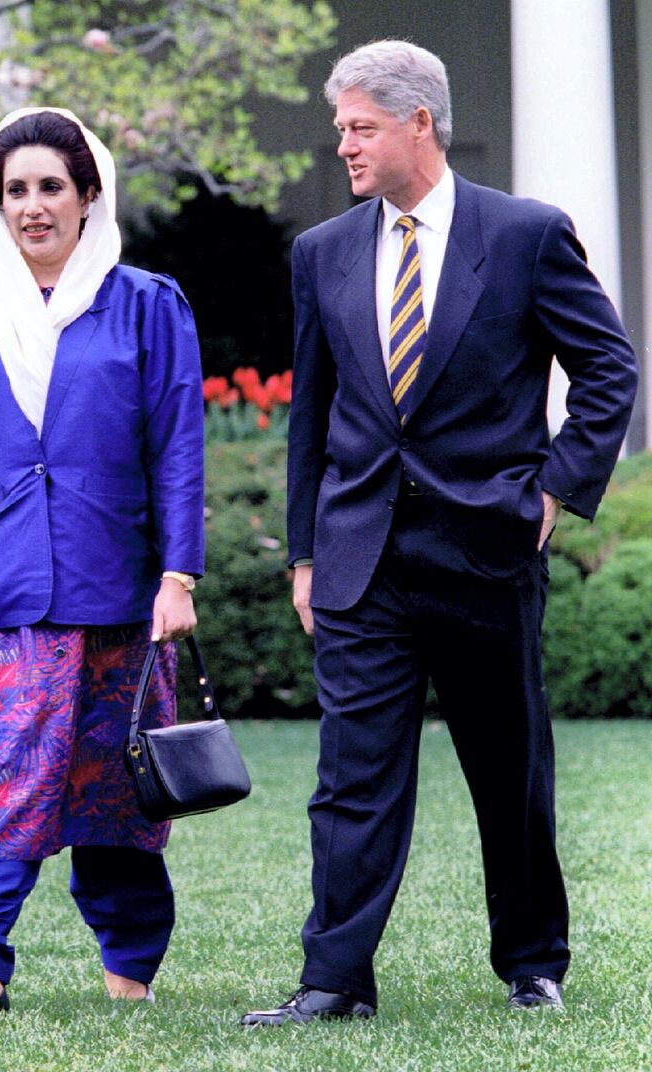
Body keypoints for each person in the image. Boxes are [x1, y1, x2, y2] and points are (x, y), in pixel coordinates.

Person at [241, 40, 637, 1027]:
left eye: (359, 126)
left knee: (507, 770)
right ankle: (333, 979)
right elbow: (310, 416)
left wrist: (549, 496)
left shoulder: (524, 235)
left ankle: (531, 963)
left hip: (486, 551)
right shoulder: (321, 252)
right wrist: (300, 551)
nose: (343, 145)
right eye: (340, 128)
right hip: (359, 559)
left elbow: (606, 372)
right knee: (349, 779)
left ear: (419, 123)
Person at [0, 107, 204, 1020]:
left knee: (120, 792)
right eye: (15, 190)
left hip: (120, 591)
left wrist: (178, 575)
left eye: (51, 187)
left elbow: (178, 449)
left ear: (88, 194)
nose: (34, 207)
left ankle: (130, 968)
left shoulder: (148, 304)